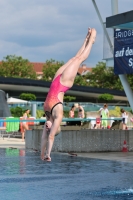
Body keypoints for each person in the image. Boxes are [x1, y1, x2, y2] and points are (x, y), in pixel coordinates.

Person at [41, 28, 96, 161]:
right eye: (49, 128)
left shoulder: (47, 115)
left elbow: (43, 138)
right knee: (79, 59)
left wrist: (41, 154)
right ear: (55, 127)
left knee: (73, 58)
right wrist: (48, 154)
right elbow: (50, 137)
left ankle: (85, 39)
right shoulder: (57, 115)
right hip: (64, 83)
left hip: (55, 80)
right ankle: (92, 40)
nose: (46, 128)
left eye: (46, 128)